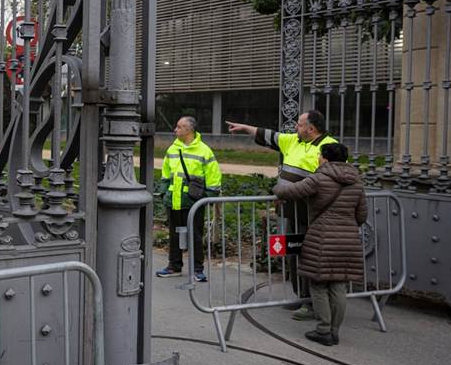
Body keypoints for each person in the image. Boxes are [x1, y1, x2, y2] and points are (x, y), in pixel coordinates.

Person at [225, 110, 337, 320]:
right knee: (292, 253)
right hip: (290, 211)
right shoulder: (293, 141)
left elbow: (332, 182)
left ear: (311, 128)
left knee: (309, 256)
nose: (295, 127)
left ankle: (312, 303)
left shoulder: (329, 147)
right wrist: (245, 128)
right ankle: (301, 295)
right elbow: (269, 135)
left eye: (299, 124)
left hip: (311, 213)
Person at [271, 143, 367, 346]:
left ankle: (323, 329)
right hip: (348, 239)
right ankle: (334, 332)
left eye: (319, 156)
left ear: (324, 158)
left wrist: (276, 188)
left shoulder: (319, 178)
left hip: (322, 238)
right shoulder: (356, 181)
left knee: (318, 283)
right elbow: (362, 215)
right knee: (339, 284)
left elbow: (291, 191)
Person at [156, 116, 222, 280]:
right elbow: (165, 173)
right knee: (174, 235)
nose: (175, 130)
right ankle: (174, 266)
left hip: (193, 201)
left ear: (189, 130)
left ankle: (197, 270)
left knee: (195, 235)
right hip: (174, 200)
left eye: (179, 127)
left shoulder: (204, 150)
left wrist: (207, 197)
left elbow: (213, 176)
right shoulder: (172, 149)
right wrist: (164, 193)